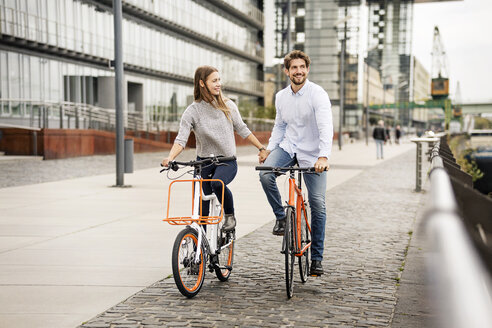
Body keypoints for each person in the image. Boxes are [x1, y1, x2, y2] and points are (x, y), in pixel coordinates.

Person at [162, 66, 267, 232]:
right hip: (203, 162)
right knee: (202, 208)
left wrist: (261, 148)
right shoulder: (192, 111)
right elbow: (181, 139)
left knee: (217, 184)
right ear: (202, 83)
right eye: (214, 81)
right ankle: (200, 250)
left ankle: (230, 216)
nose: (219, 84)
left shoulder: (228, 105)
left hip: (226, 161)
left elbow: (242, 129)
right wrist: (170, 157)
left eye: (219, 80)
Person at [258, 50, 333, 276]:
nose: (298, 71)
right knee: (265, 174)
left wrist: (323, 156)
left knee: (318, 203)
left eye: (302, 67)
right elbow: (279, 126)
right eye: (294, 68)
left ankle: (316, 258)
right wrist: (270, 149)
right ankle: (282, 218)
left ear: (307, 70)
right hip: (289, 147)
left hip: (313, 154)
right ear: (287, 71)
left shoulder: (317, 94)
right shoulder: (281, 96)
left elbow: (325, 127)